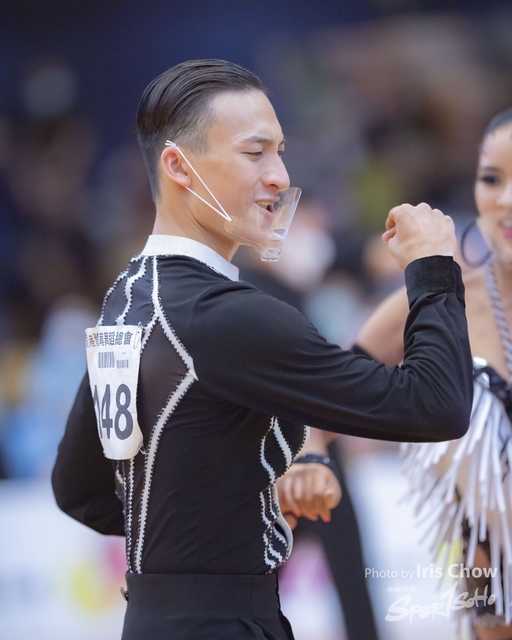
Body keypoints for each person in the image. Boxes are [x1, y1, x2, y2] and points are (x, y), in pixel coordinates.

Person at [51, 59, 473, 640]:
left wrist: (209, 530)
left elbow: (79, 490)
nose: (278, 176)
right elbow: (436, 404)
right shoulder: (225, 314)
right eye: (255, 153)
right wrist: (433, 269)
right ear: (178, 166)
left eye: (280, 151)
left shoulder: (127, 299)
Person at [348, 107, 512, 640]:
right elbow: (329, 390)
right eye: (492, 179)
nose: (505, 199)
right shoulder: (441, 298)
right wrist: (309, 459)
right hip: (493, 589)